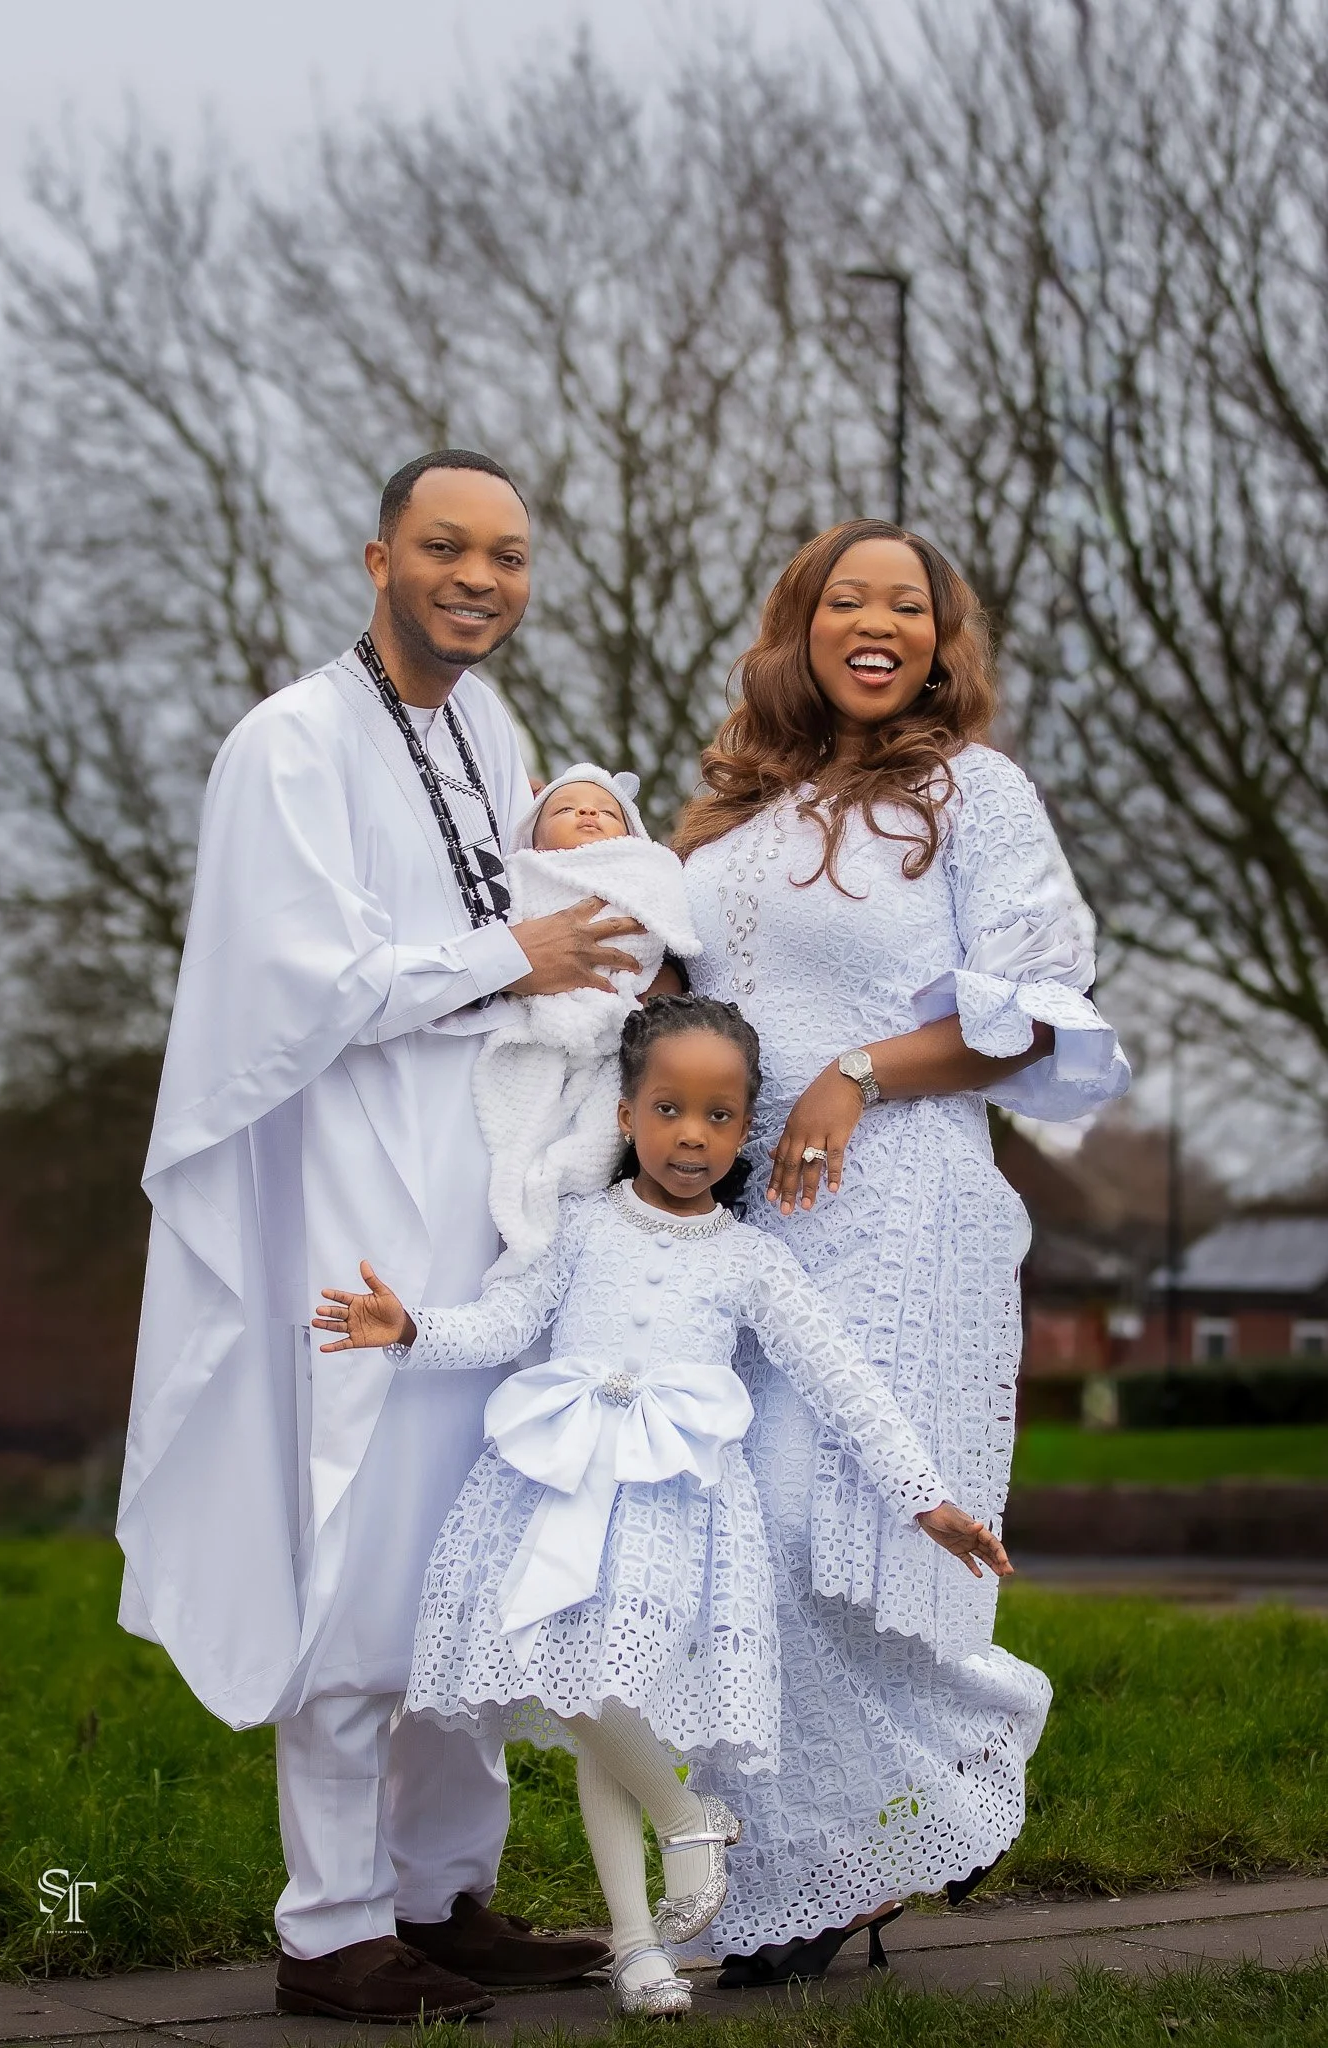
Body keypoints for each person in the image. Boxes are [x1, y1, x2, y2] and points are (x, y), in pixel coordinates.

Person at [117, 450, 651, 2023]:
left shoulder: (491, 731)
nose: (480, 577)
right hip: (357, 1197)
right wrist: (519, 950)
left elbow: (559, 923)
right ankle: (330, 1921)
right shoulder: (287, 745)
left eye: (507, 554)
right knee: (359, 1539)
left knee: (468, 1537)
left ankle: (443, 1892)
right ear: (379, 559)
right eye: (445, 547)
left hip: (486, 1197)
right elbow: (300, 987)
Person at [312, 995, 1011, 2016]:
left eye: (721, 1116)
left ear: (744, 1128)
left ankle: (644, 1935)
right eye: (671, 1108)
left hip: (675, 1508)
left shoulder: (750, 1257)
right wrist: (411, 1326)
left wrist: (926, 1500)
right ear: (626, 1114)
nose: (693, 1135)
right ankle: (675, 1849)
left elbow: (841, 1379)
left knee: (611, 1699)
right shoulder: (578, 1227)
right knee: (575, 1683)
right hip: (552, 1484)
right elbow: (506, 1319)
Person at [675, 518, 1130, 1983]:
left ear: (941, 639)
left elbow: (1034, 1021)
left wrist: (854, 1072)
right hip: (742, 1221)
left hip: (898, 1199)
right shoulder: (737, 811)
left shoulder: (968, 793)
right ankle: (796, 1880)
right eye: (846, 599)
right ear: (798, 625)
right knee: (743, 1536)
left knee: (834, 1514)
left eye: (910, 606)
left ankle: (956, 1754)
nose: (880, 624)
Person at [474, 763, 698, 1273]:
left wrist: (652, 978)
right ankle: (525, 1199)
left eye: (605, 810)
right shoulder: (523, 872)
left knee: (605, 1118)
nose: (588, 814)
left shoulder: (644, 867)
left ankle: (567, 1180)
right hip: (540, 1020)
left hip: (616, 1025)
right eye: (566, 808)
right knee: (523, 1123)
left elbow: (666, 931)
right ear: (532, 830)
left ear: (632, 831)